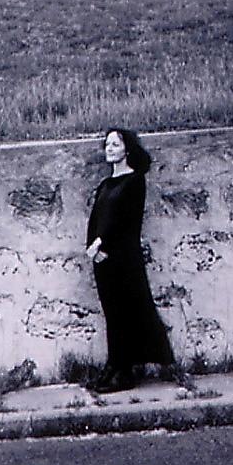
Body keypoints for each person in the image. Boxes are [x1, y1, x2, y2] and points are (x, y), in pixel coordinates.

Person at [85, 127, 176, 393]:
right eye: (107, 145)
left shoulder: (135, 181)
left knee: (126, 312)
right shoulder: (105, 184)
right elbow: (96, 219)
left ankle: (125, 371)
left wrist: (102, 242)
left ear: (127, 149)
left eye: (115, 144)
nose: (109, 149)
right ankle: (113, 366)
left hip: (124, 258)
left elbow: (123, 219)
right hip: (103, 260)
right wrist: (92, 246)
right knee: (112, 314)